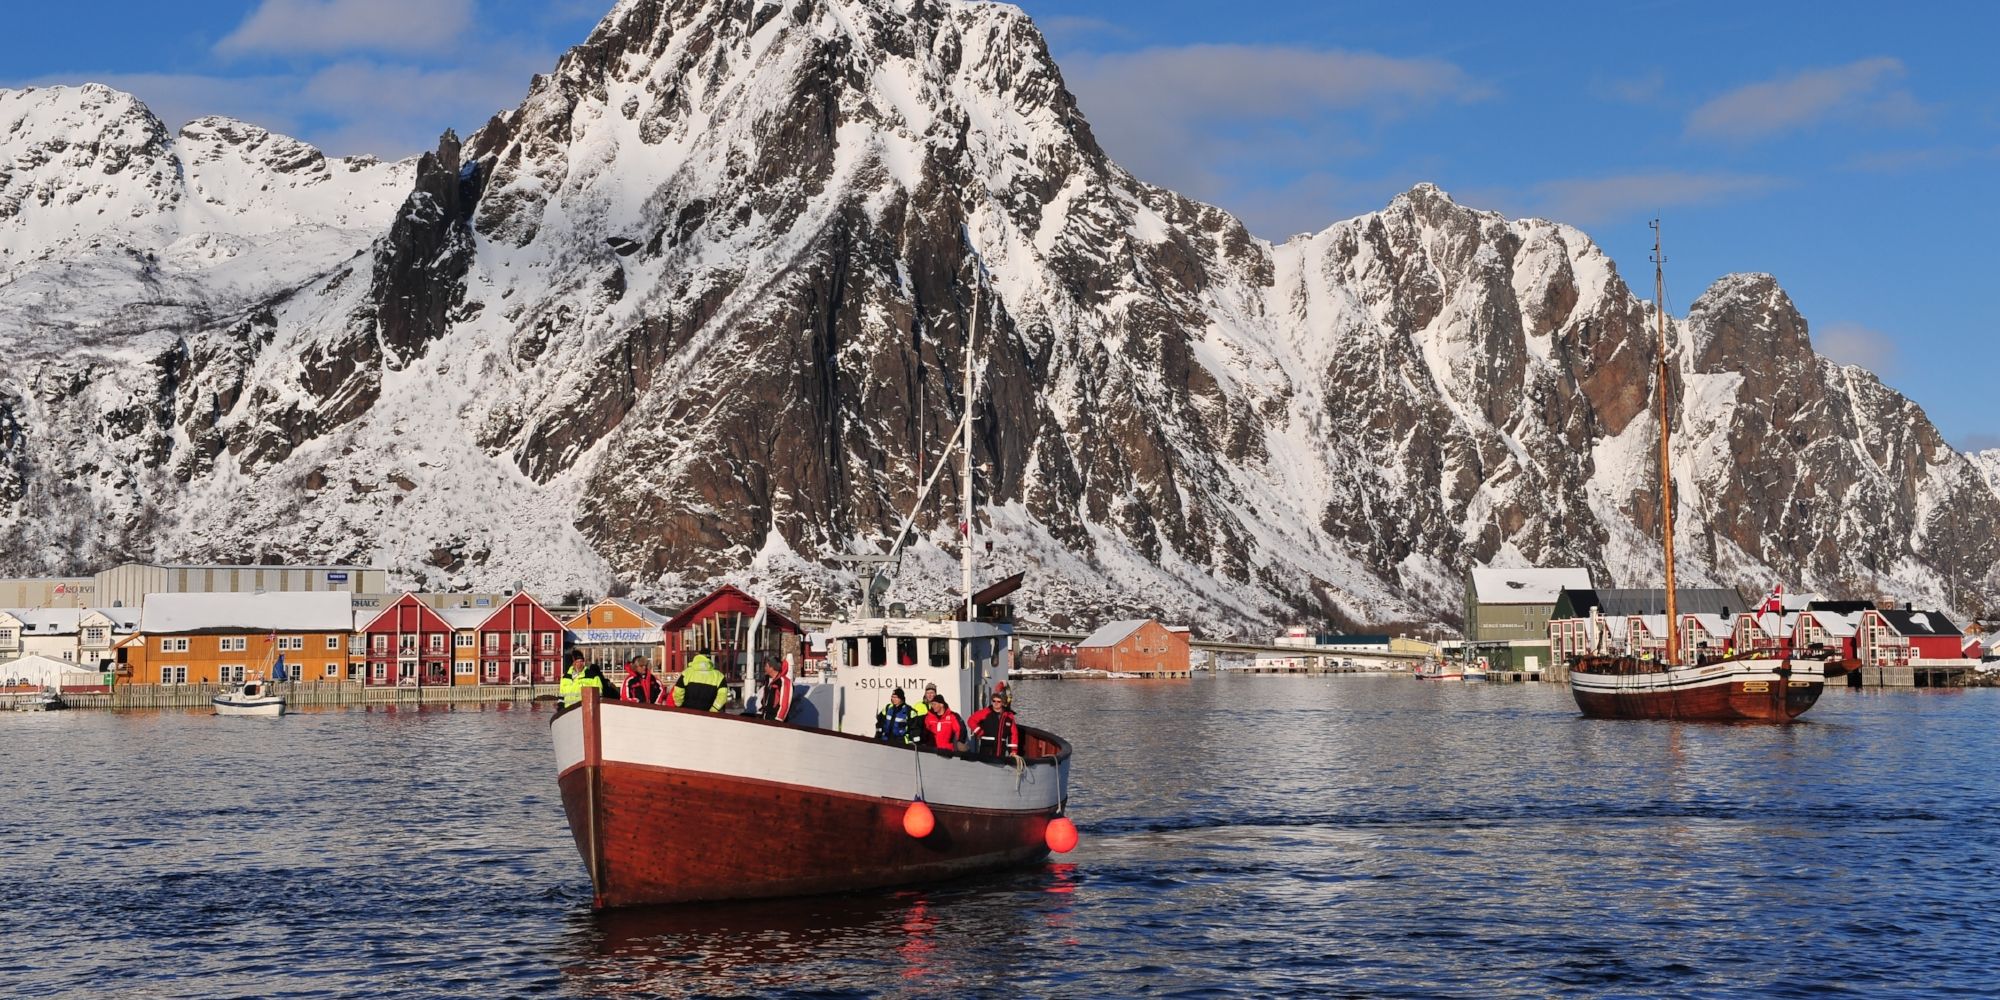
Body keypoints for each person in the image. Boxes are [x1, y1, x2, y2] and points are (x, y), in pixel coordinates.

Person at [965, 691, 1019, 758]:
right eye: (994, 701)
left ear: (1002, 702)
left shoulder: (1009, 716)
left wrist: (1013, 751)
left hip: (1001, 749)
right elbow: (971, 720)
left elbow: (1013, 734)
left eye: (998, 701)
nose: (996, 703)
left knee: (1000, 766)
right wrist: (979, 731)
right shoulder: (985, 712)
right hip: (986, 748)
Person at [755, 656, 794, 722]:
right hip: (766, 719)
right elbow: (766, 700)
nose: (764, 668)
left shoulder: (784, 681)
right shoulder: (769, 681)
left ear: (772, 668)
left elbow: (785, 705)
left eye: (766, 666)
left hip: (775, 721)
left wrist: (778, 721)